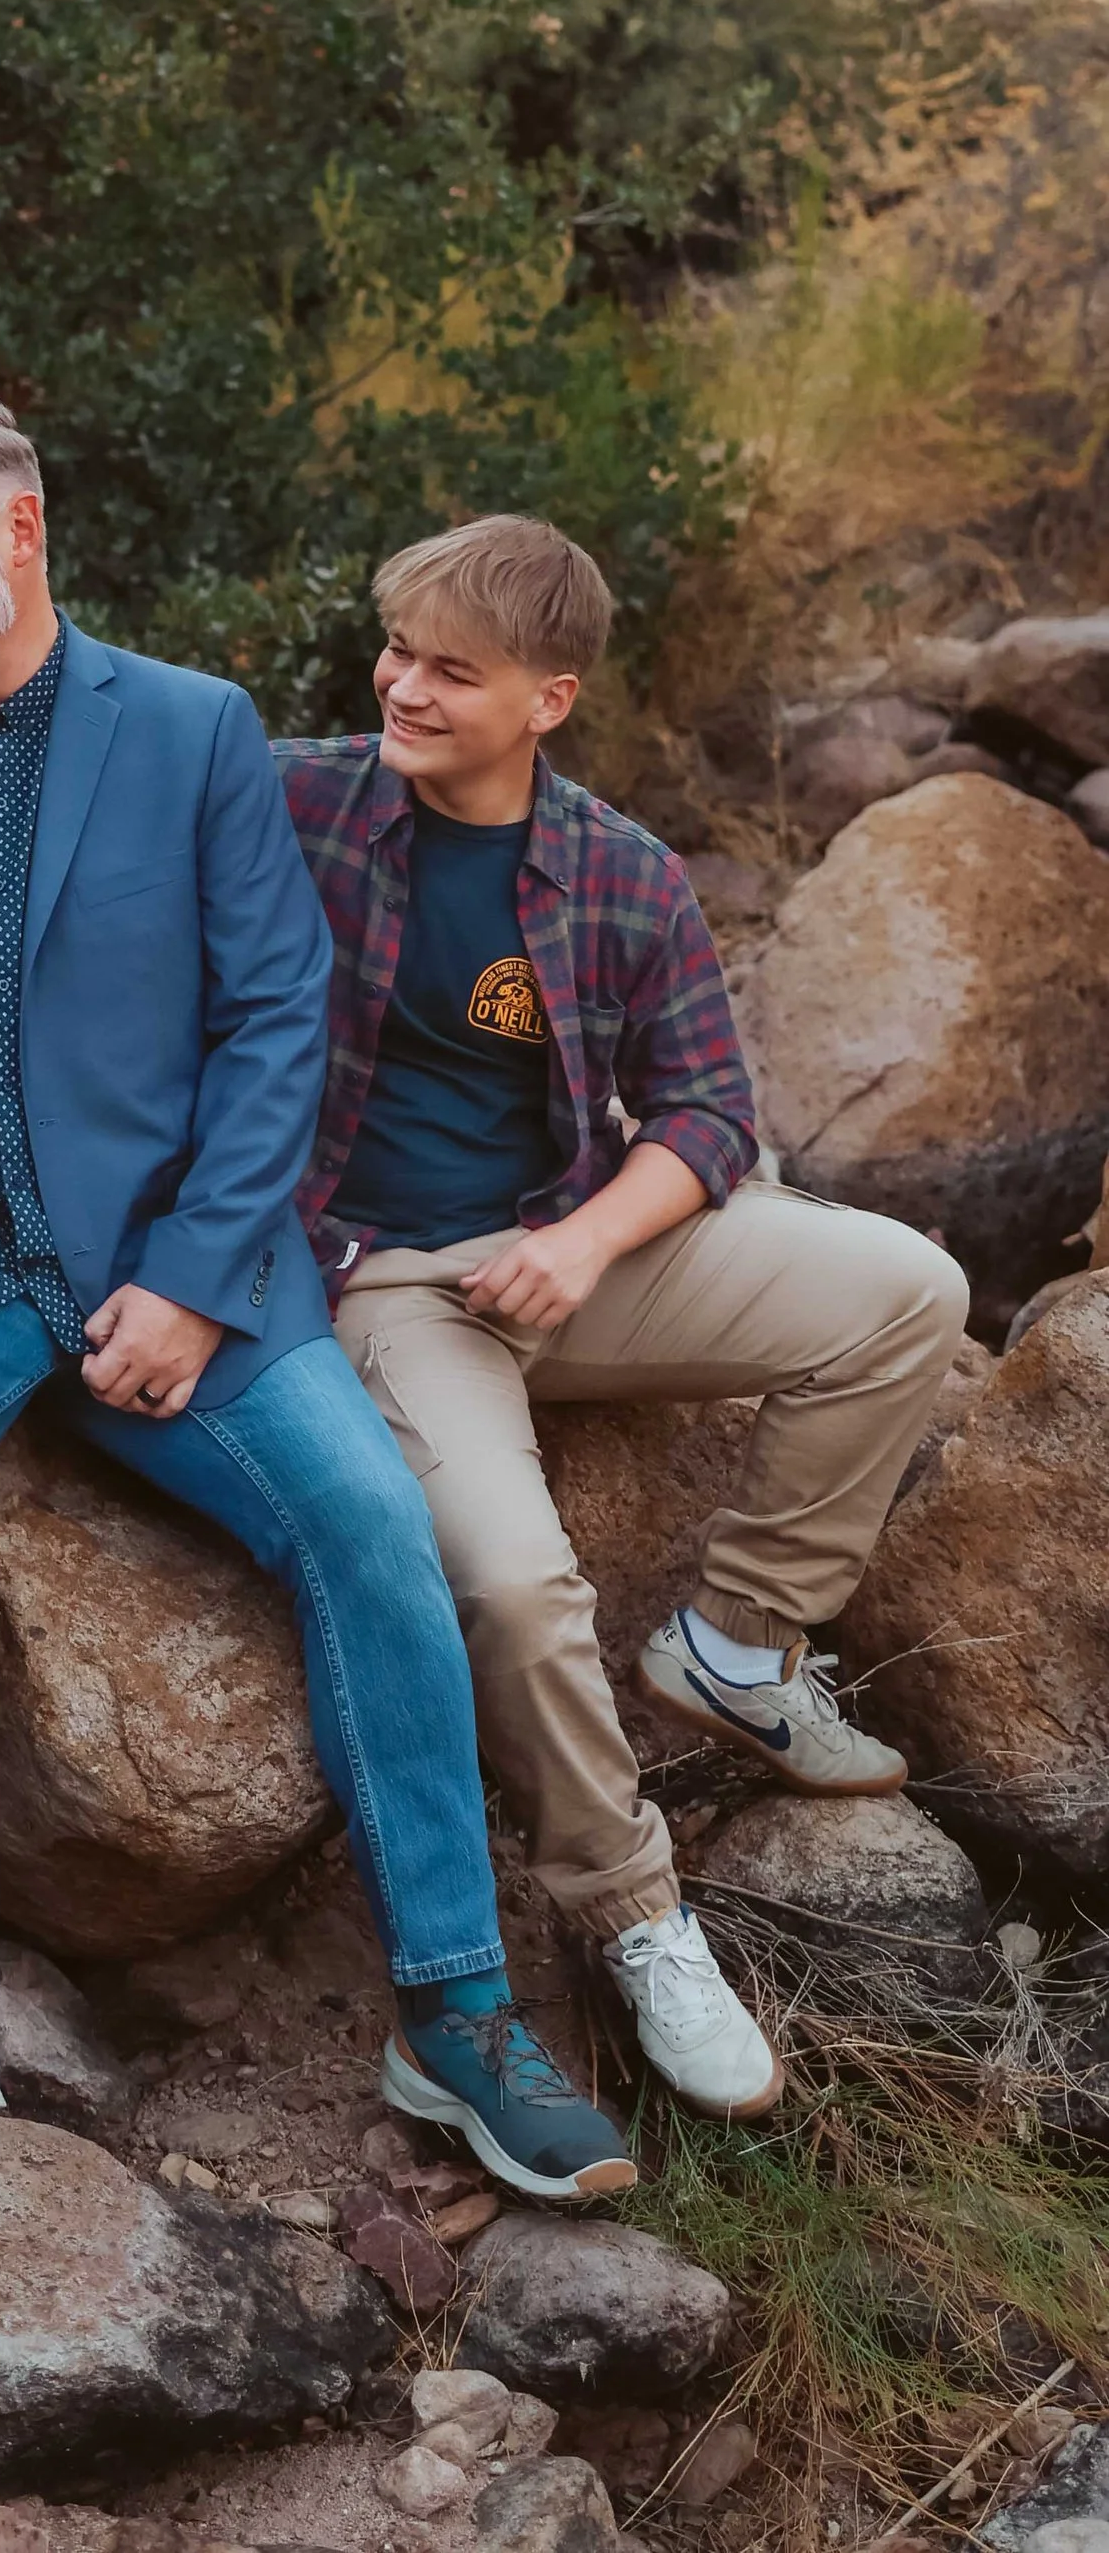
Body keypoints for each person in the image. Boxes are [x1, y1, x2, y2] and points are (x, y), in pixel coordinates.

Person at [0, 388, 637, 2202]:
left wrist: (184, 1282)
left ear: (18, 531)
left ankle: (458, 2015)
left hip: (195, 1260)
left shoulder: (188, 728)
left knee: (368, 1516)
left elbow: (280, 1025)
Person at [274, 513, 971, 2119]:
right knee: (517, 1590)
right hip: (393, 1278)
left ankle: (738, 1645)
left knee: (910, 1289)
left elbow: (711, 1114)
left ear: (551, 697)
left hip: (573, 1250)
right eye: (396, 650)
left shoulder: (618, 869)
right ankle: (635, 1912)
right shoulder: (298, 798)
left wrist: (586, 1245)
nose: (404, 684)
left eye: (454, 669)